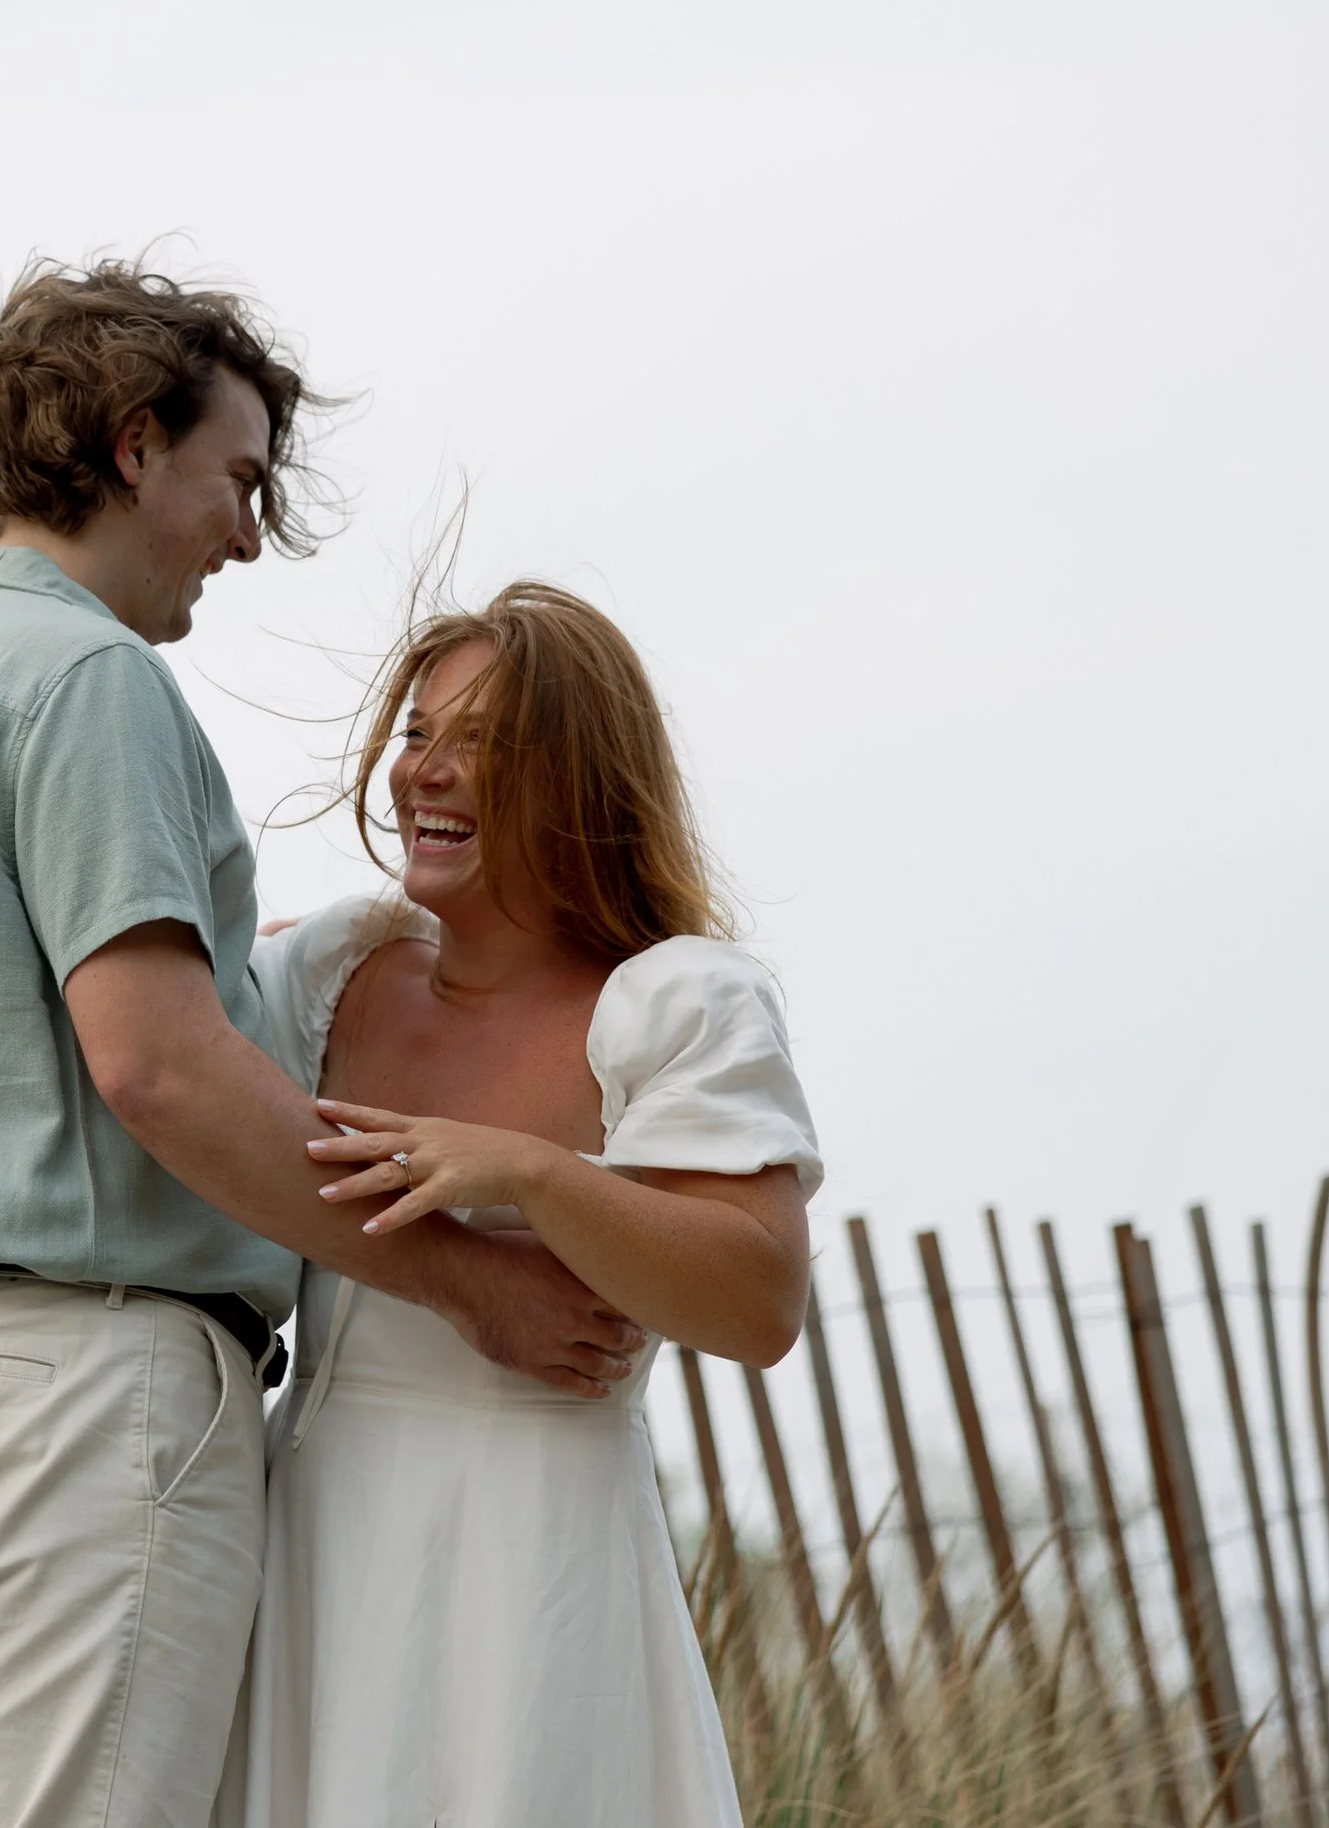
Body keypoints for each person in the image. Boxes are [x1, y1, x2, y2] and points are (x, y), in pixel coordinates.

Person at [0, 262, 645, 1828]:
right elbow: (156, 1064)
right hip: (93, 1402)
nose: (249, 531)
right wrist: (465, 1278)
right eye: (240, 476)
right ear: (136, 444)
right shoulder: (93, 683)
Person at [220, 580, 823, 1828]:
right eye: (417, 734)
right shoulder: (330, 971)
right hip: (318, 1536)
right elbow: (170, 1073)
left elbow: (761, 1301)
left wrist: (531, 1175)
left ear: (583, 785)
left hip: (538, 1564)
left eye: (484, 745)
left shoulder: (676, 1004)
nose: (425, 773)